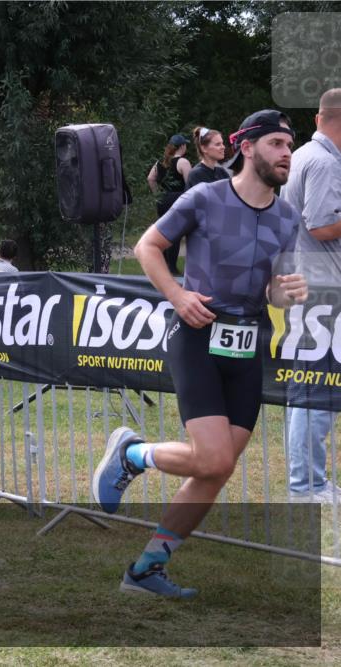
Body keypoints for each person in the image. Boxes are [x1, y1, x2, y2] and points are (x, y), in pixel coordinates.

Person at [95, 109, 307, 597]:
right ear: (247, 147)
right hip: (197, 333)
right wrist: (177, 295)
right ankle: (131, 454)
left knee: (217, 468)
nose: (286, 154)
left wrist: (286, 291)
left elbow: (273, 290)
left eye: (289, 146)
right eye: (276, 144)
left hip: (247, 341)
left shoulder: (288, 217)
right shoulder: (205, 197)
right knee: (211, 459)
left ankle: (146, 569)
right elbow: (149, 246)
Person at [282, 89, 341, 503]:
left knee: (311, 391)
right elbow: (321, 225)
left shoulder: (304, 154)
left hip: (312, 286)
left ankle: (312, 480)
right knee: (314, 393)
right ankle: (307, 487)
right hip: (322, 290)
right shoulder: (323, 162)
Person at [146, 134, 191, 274]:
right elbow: (190, 183)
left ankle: (163, 266)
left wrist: (157, 195)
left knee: (164, 233)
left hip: (162, 200)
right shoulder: (183, 162)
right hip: (177, 200)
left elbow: (150, 179)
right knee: (175, 235)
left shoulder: (160, 162)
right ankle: (171, 267)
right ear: (182, 146)